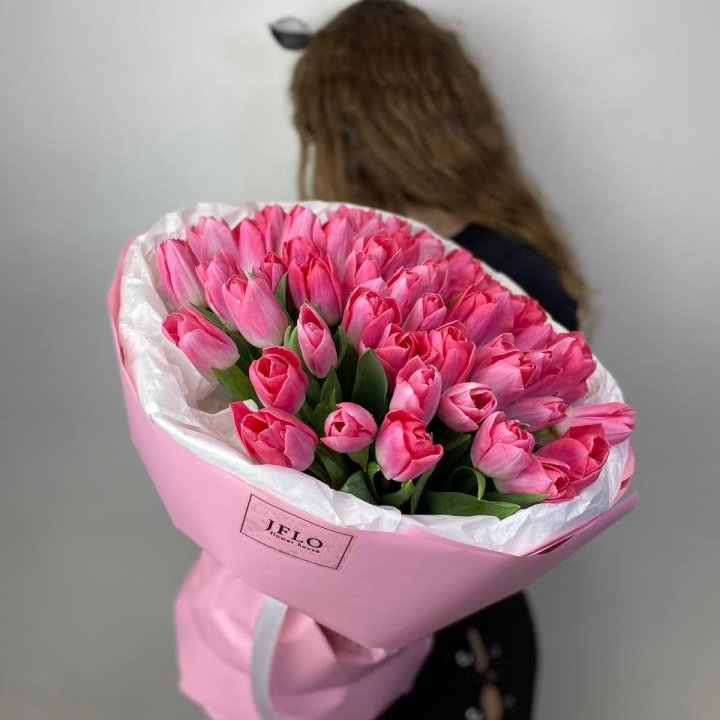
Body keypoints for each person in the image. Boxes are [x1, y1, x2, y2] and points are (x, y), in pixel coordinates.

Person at [288, 1, 588, 717]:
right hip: (379, 640)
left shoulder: (505, 282)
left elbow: (535, 492)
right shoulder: (337, 261)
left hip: (455, 653)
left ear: (348, 136)